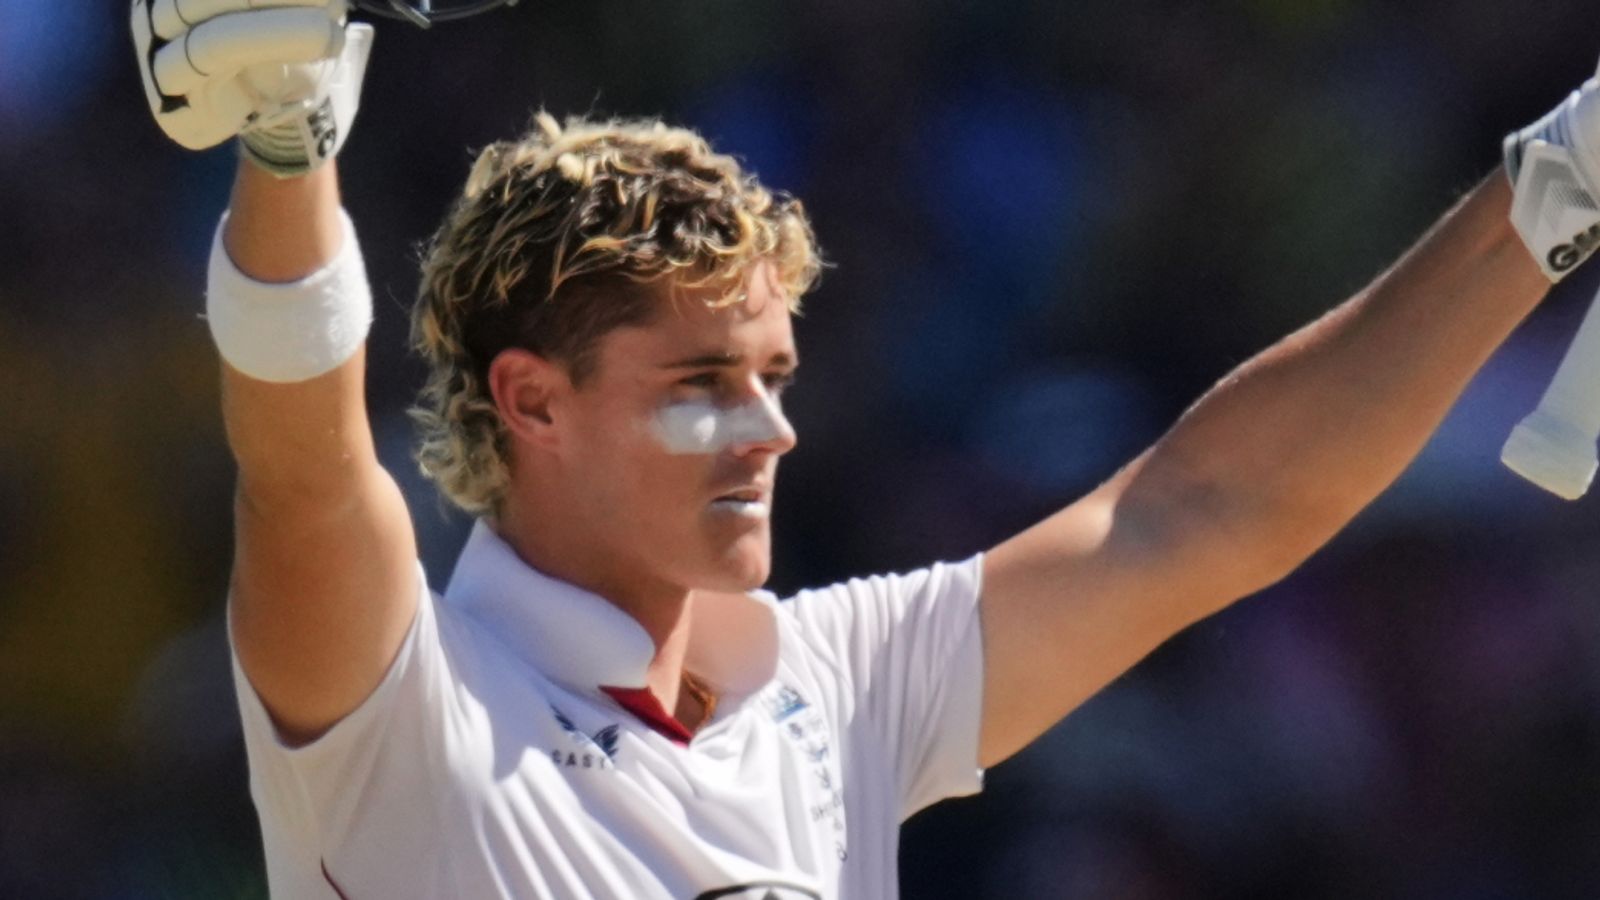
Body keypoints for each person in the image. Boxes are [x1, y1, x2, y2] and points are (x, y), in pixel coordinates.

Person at [131, 0, 1600, 897]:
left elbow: (1200, 514)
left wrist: (1548, 198)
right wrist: (286, 148)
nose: (771, 428)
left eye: (772, 372)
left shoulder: (832, 682)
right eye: (702, 382)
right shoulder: (406, 710)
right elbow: (308, 462)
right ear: (531, 402)